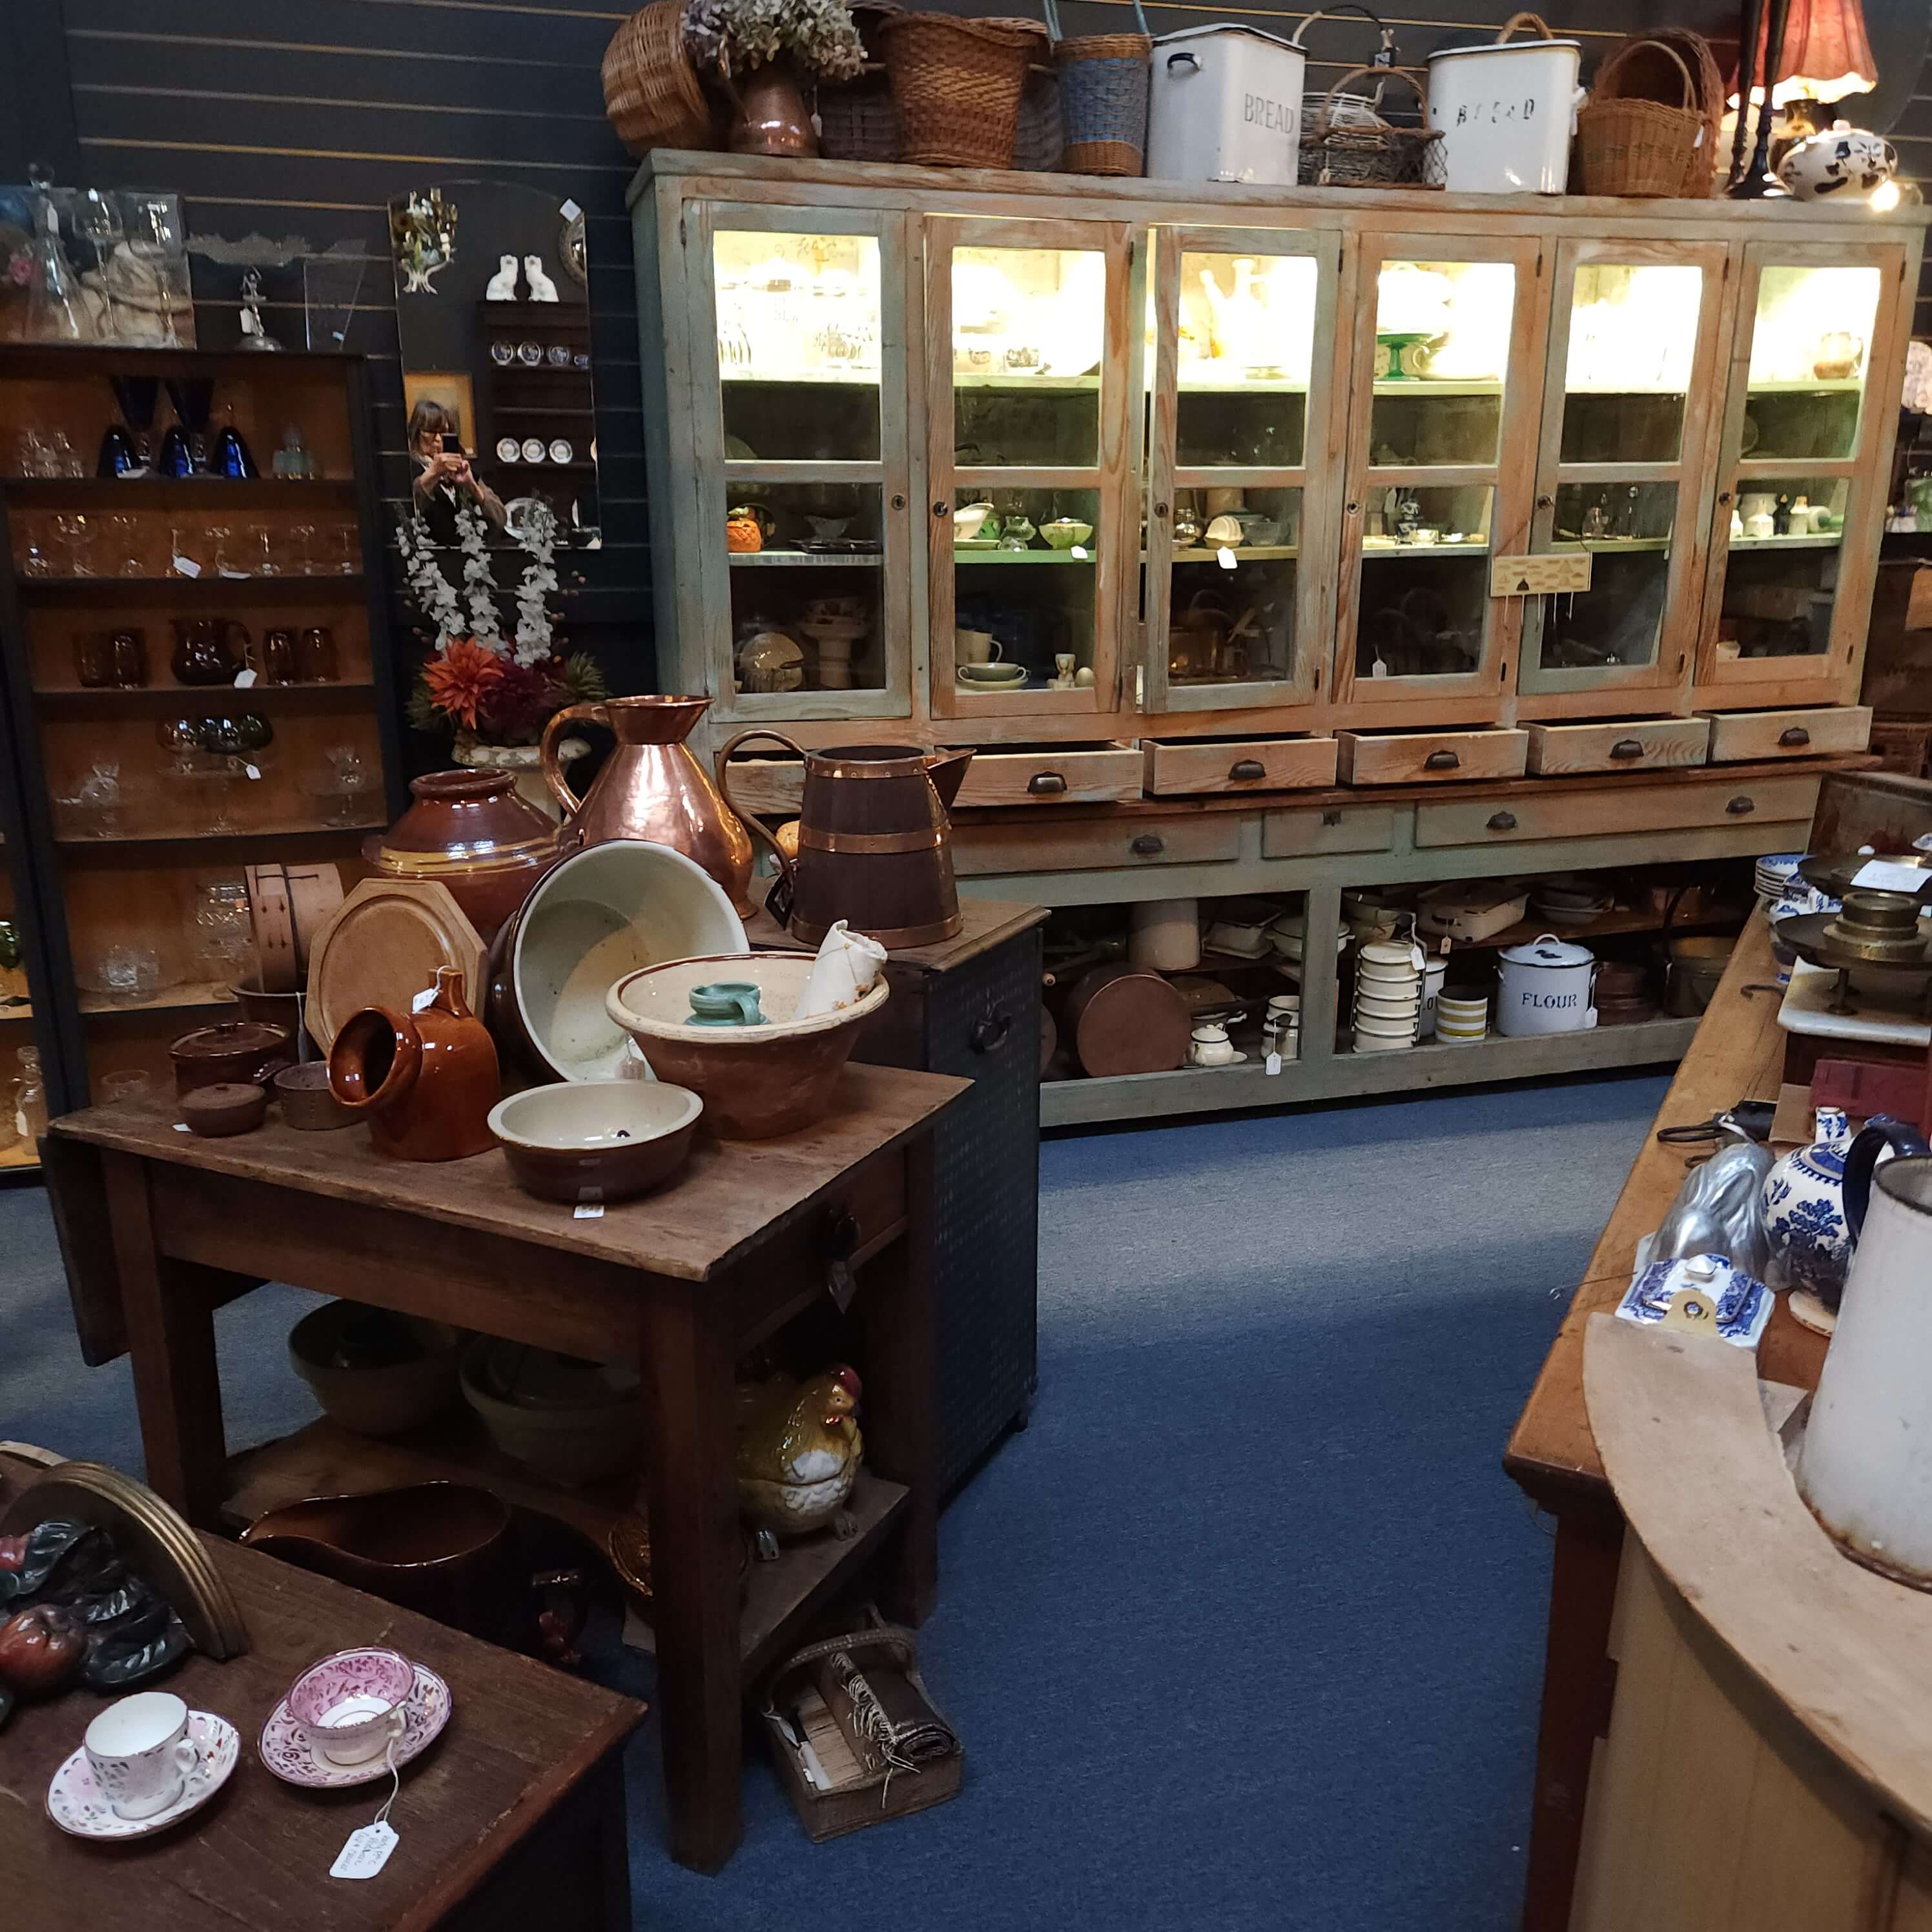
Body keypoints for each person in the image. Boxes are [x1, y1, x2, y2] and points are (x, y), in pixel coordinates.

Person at [407, 398, 506, 544]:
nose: (438, 440)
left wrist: (472, 486)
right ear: (417, 433)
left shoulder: (463, 471)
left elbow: (500, 520)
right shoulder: (409, 470)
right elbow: (408, 514)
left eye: (443, 433)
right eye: (430, 433)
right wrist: (433, 473)